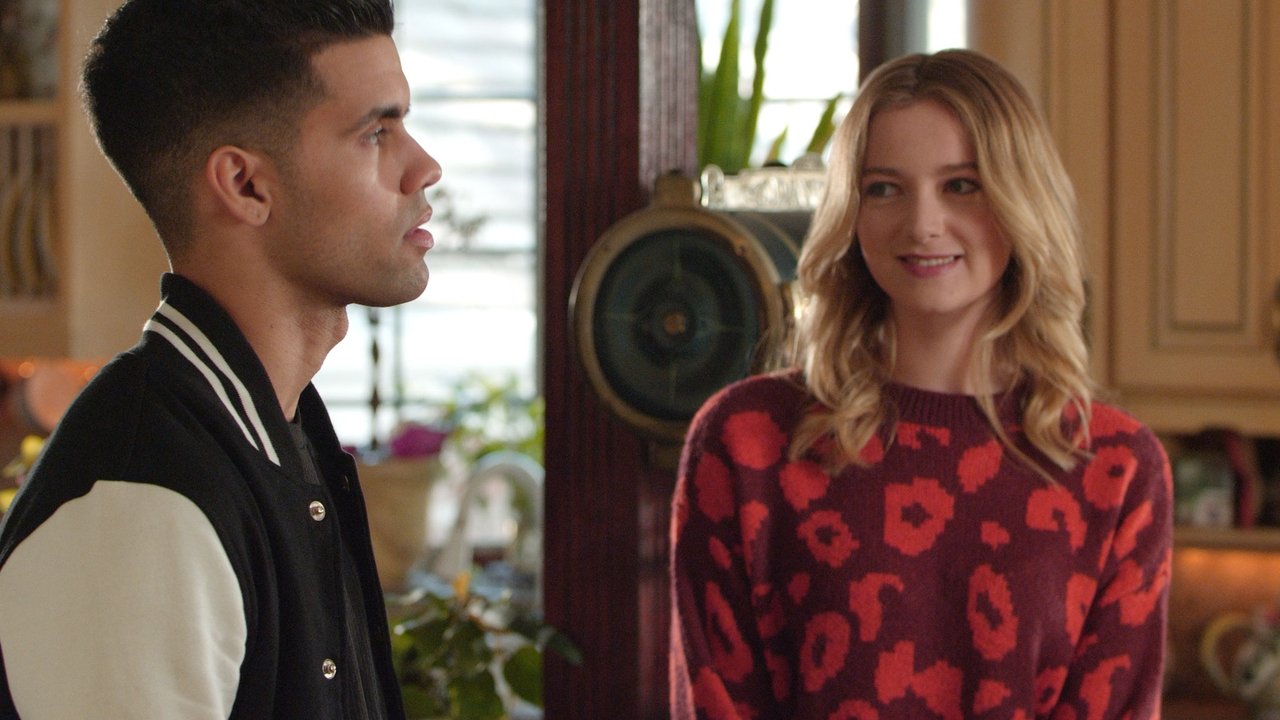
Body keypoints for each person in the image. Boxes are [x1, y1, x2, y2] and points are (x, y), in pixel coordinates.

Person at [669, 49, 1171, 720]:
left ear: (1022, 201)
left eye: (961, 185)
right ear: (851, 212)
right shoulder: (748, 441)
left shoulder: (1115, 467)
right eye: (884, 188)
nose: (922, 224)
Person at [0, 0, 441, 717]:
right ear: (245, 185)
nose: (424, 167)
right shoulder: (140, 510)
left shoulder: (279, 434)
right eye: (376, 133)